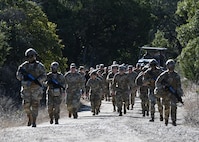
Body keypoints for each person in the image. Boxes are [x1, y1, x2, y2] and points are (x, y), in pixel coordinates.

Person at [16, 48, 46, 127]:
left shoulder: (39, 66)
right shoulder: (23, 66)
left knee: (35, 105)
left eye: (32, 56)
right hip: (26, 89)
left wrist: (37, 80)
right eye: (29, 56)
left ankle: (34, 121)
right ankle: (29, 117)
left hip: (36, 89)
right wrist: (24, 78)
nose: (31, 57)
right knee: (26, 105)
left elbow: (44, 76)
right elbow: (18, 75)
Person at [155, 59, 183, 126]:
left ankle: (173, 121)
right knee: (166, 107)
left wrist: (179, 94)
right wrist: (163, 87)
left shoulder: (176, 75)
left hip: (173, 93)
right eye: (170, 66)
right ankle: (166, 120)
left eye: (172, 66)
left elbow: (179, 85)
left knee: (174, 106)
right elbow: (157, 83)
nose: (171, 67)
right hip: (165, 93)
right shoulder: (164, 75)